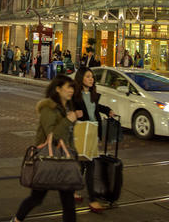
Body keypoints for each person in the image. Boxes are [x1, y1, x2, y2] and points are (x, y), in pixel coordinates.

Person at [10, 75, 79, 222]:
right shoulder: (49, 109)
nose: (71, 90)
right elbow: (52, 135)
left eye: (72, 87)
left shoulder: (67, 107)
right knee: (36, 198)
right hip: (47, 160)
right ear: (58, 89)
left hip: (63, 160)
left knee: (68, 202)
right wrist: (69, 120)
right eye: (68, 87)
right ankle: (17, 219)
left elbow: (66, 135)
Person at [72, 67, 115, 213]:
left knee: (83, 165)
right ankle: (92, 200)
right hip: (81, 132)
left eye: (92, 77)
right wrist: (74, 114)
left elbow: (95, 109)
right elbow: (67, 110)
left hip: (92, 132)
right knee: (89, 165)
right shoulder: (75, 96)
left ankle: (72, 190)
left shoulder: (93, 94)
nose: (91, 79)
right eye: (88, 76)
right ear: (81, 79)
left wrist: (107, 110)